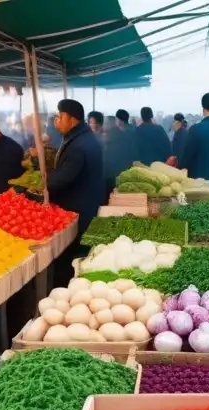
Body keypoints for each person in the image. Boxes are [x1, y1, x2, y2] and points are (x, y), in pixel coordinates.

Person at [48, 99, 104, 288]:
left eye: (60, 116)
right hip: (85, 206)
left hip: (79, 212)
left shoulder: (79, 145)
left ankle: (64, 290)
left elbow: (64, 177)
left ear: (72, 119)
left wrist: (43, 188)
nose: (57, 121)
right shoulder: (81, 138)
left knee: (70, 262)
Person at [105, 108, 137, 189]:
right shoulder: (133, 130)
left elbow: (108, 148)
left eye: (116, 119)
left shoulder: (113, 132)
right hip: (129, 165)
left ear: (120, 121)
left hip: (115, 166)